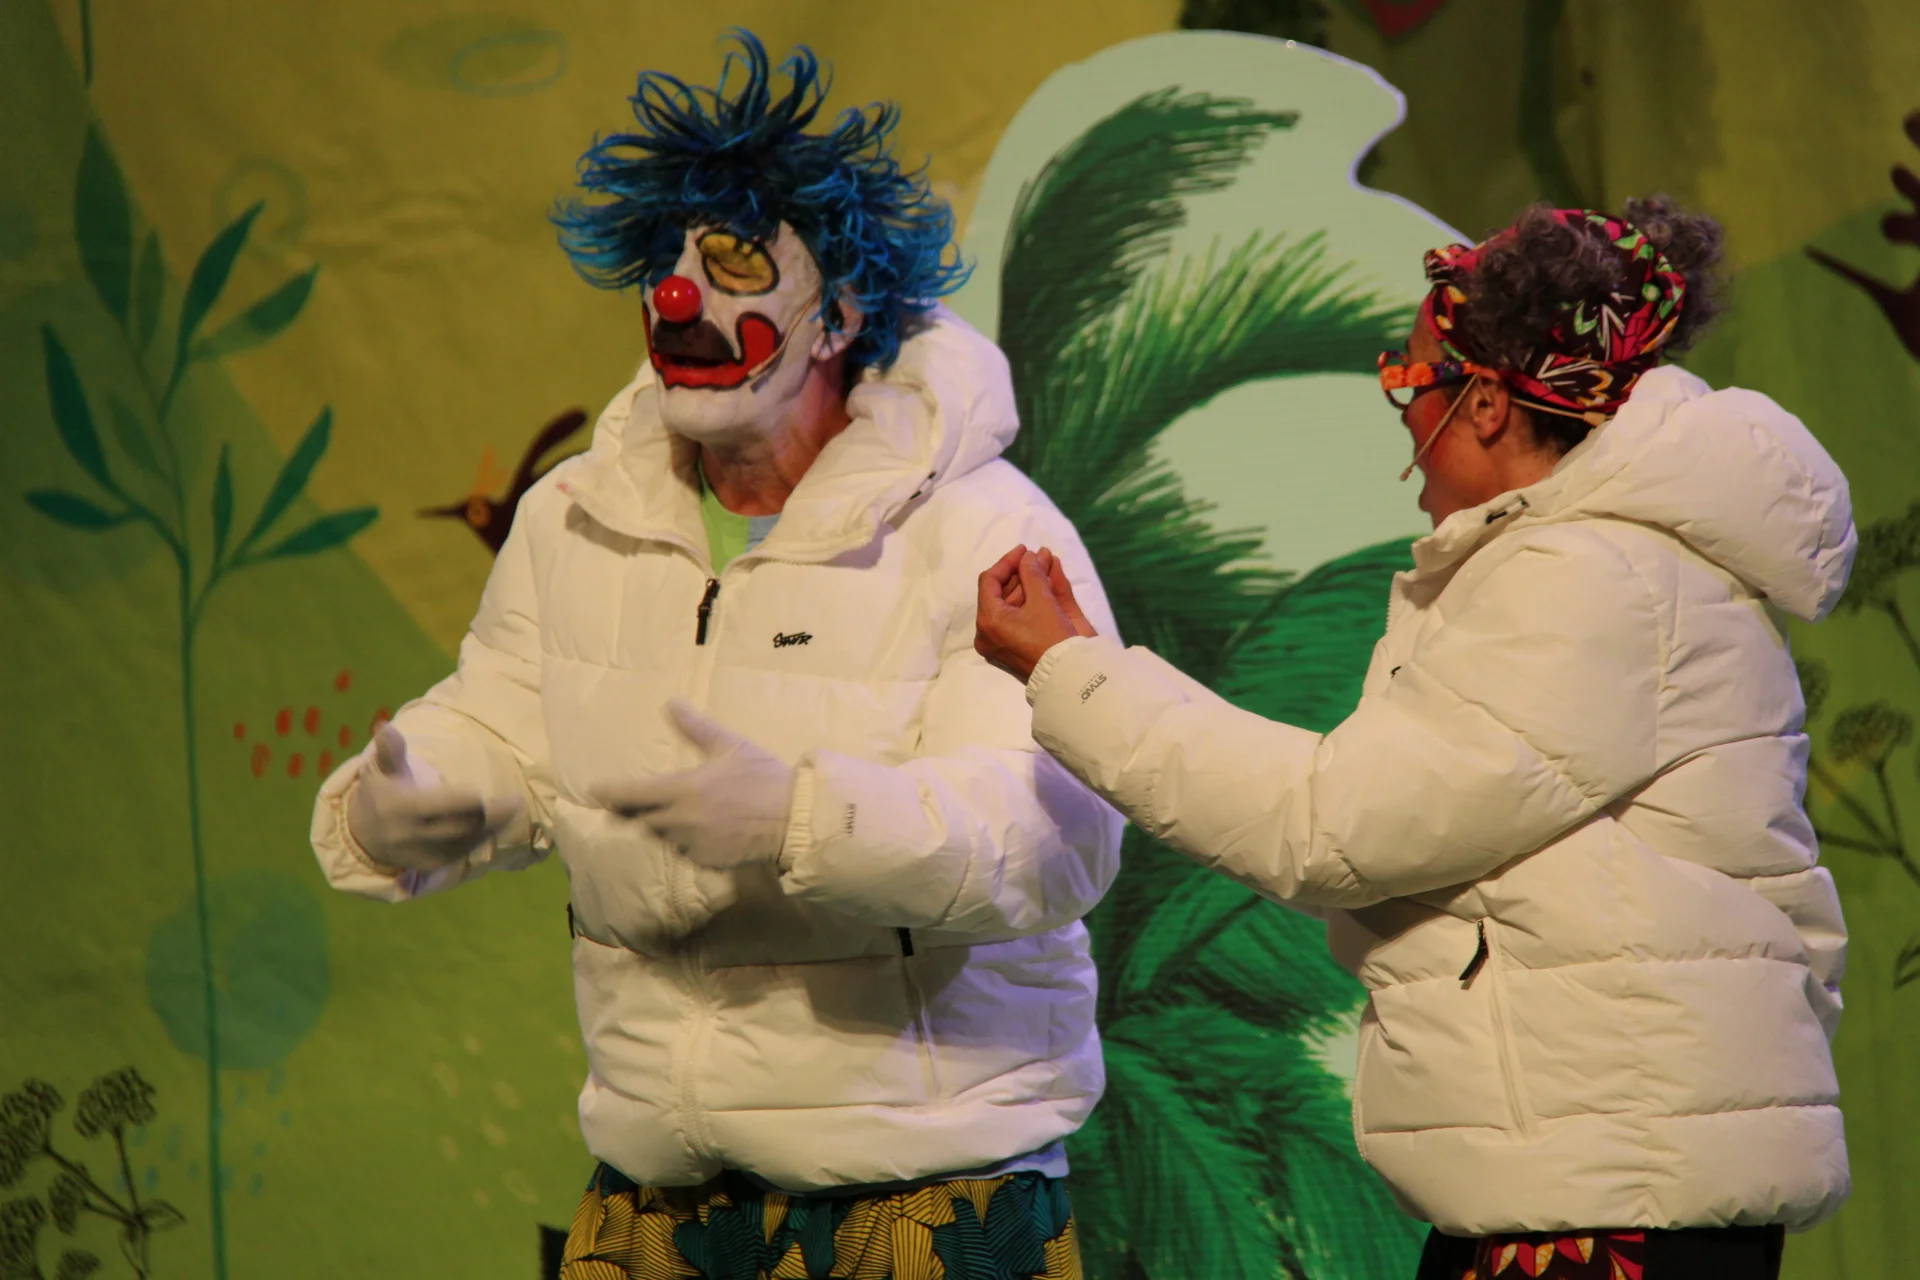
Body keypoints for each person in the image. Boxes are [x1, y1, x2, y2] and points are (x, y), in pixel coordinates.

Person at [311, 32, 1119, 1280]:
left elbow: (1053, 836)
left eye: (735, 260)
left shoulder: (983, 530)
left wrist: (801, 817)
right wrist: (410, 802)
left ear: (839, 311)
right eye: (665, 260)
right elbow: (506, 724)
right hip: (659, 1200)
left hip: (920, 1199)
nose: (680, 296)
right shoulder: (574, 517)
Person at [974, 200, 1854, 1280]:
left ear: (1484, 402)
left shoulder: (1589, 577)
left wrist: (1073, 673)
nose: (1403, 413)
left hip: (1604, 1205)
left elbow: (1334, 826)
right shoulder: (1624, 563)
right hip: (1606, 1175)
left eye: (1410, 380)